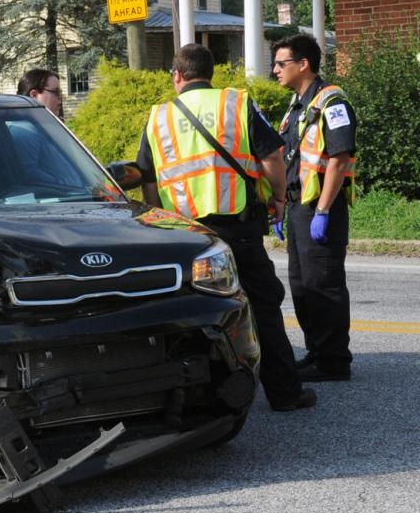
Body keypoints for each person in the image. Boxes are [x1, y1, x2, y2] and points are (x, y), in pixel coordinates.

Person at [136, 44, 316, 413]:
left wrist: (159, 226)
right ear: (211, 74)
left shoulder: (159, 117)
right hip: (238, 226)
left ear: (177, 76)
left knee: (192, 313)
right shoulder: (234, 104)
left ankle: (199, 401)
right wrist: (279, 197)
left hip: (186, 237)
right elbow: (272, 156)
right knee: (262, 306)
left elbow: (148, 179)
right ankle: (284, 393)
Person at [271, 33, 356, 382]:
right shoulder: (297, 105)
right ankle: (317, 351)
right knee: (303, 287)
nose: (275, 69)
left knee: (324, 285)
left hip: (321, 211)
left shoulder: (332, 103)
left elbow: (340, 158)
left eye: (281, 63)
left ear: (303, 64)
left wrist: (322, 211)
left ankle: (334, 361)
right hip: (298, 209)